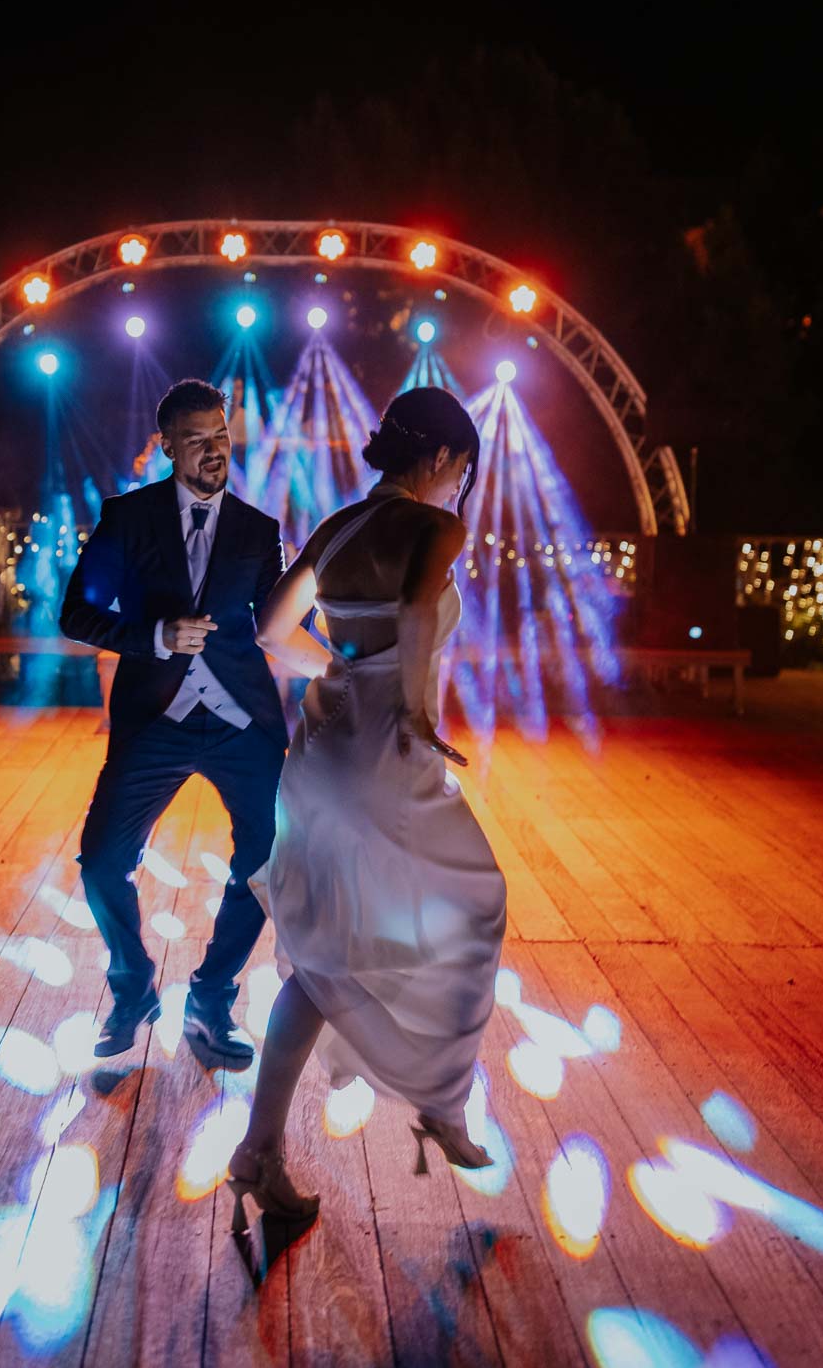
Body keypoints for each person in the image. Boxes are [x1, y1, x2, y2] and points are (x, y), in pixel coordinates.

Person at [226, 386, 507, 1230]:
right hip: (384, 753)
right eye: (459, 469)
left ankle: (260, 1150)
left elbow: (274, 628)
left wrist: (338, 670)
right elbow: (419, 610)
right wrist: (413, 705)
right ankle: (439, 1101)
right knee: (469, 908)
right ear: (439, 460)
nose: (458, 486)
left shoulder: (337, 527)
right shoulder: (434, 527)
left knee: (325, 958)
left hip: (321, 752)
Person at [59, 378, 287, 1068]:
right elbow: (76, 613)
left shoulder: (258, 529)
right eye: (197, 438)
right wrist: (155, 635)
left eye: (220, 434)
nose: (215, 449)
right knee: (101, 861)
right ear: (166, 446)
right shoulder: (126, 518)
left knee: (268, 864)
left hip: (241, 721)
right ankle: (132, 990)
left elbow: (280, 628)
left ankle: (212, 998)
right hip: (154, 719)